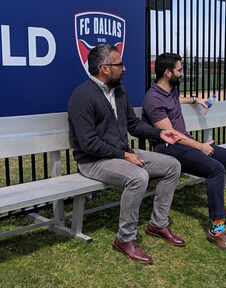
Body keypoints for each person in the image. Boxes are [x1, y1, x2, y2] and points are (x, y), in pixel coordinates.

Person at [68, 45, 186, 265]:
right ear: (104, 68)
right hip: (93, 161)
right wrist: (123, 155)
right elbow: (88, 143)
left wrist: (160, 132)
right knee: (138, 177)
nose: (124, 68)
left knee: (172, 165)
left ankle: (158, 225)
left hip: (121, 153)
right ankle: (125, 239)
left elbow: (133, 124)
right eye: (119, 64)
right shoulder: (82, 96)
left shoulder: (119, 92)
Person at [142, 53, 226, 255]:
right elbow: (171, 136)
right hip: (168, 148)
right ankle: (217, 229)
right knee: (215, 169)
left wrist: (196, 99)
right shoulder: (152, 99)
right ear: (167, 72)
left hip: (185, 145)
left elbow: (176, 99)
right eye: (179, 69)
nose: (182, 72)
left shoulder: (171, 88)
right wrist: (200, 146)